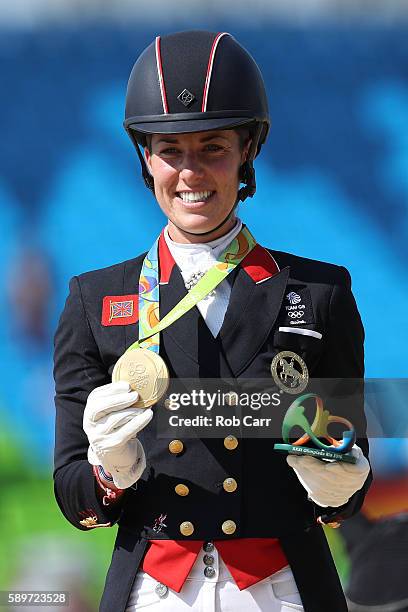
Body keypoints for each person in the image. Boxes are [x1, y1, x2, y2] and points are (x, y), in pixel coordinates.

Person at [53, 30, 371, 612]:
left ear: (247, 149)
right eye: (170, 150)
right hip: (153, 591)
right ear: (145, 157)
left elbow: (349, 486)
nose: (190, 173)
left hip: (283, 589)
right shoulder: (93, 300)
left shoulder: (321, 293)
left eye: (213, 147)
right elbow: (74, 498)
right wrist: (109, 472)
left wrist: (340, 483)